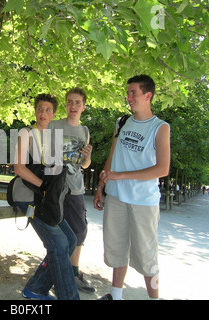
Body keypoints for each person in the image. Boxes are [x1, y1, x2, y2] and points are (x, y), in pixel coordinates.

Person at [93, 75, 171, 300]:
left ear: (148, 95)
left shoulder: (160, 128)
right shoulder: (122, 122)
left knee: (147, 257)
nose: (128, 98)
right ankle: (116, 296)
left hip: (143, 201)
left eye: (133, 93)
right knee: (117, 250)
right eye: (127, 93)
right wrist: (102, 185)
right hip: (116, 196)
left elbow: (162, 169)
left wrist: (121, 175)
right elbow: (113, 154)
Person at [14, 93, 80, 300]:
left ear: (53, 114)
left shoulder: (53, 139)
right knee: (59, 244)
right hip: (27, 196)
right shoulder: (26, 133)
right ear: (35, 111)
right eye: (40, 108)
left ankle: (36, 288)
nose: (43, 113)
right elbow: (19, 168)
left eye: (48, 110)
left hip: (46, 198)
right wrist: (44, 186)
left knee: (70, 240)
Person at [49, 87, 95, 293]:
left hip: (75, 188)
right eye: (69, 102)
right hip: (55, 188)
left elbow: (84, 165)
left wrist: (87, 157)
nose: (73, 106)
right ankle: (59, 275)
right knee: (56, 232)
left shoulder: (84, 131)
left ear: (83, 107)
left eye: (77, 102)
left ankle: (73, 273)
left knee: (79, 232)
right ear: (65, 105)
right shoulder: (54, 126)